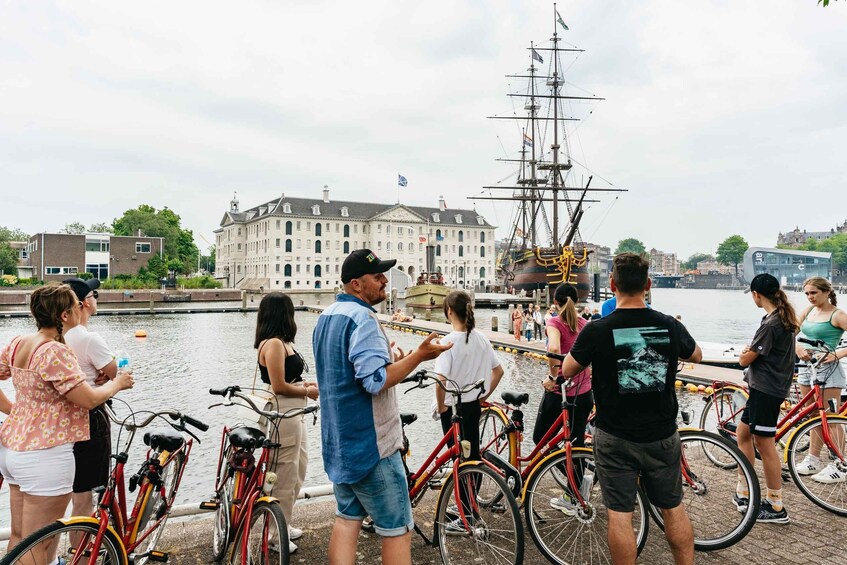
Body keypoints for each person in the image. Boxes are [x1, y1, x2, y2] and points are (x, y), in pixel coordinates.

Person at [560, 253, 702, 564]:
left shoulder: (597, 329)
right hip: (662, 433)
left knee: (620, 516)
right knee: (673, 508)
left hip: (615, 436)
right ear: (648, 285)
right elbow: (697, 355)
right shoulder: (667, 324)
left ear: (612, 285)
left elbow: (569, 369)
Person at [313, 249, 452, 565]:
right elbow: (374, 381)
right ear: (357, 285)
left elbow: (348, 373)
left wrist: (394, 361)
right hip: (373, 448)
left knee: (346, 520)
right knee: (396, 529)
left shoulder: (326, 317)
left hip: (339, 445)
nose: (385, 280)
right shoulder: (364, 319)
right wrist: (418, 356)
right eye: (377, 276)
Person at [0, 283, 134, 559]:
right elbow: (87, 400)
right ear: (63, 315)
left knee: (19, 537)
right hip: (45, 455)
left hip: (13, 449)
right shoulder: (54, 351)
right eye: (75, 306)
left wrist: (16, 411)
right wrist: (117, 384)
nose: (79, 310)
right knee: (41, 544)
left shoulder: (18, 343)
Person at [254, 292, 319, 554]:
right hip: (283, 411)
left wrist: (304, 385)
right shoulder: (273, 345)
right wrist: (306, 391)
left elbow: (288, 380)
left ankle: (284, 521)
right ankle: (273, 534)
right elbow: (279, 386)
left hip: (295, 412)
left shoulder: (282, 343)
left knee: (298, 468)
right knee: (283, 472)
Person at [434, 290, 504, 529]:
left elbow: (440, 379)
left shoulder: (447, 342)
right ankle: (468, 505)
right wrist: (484, 395)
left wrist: (442, 406)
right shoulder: (481, 338)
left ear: (449, 311)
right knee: (472, 456)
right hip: (473, 406)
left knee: (457, 460)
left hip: (454, 409)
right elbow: (499, 371)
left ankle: (466, 517)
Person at [736, 273, 798, 524]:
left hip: (767, 390)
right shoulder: (778, 318)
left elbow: (745, 359)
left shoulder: (772, 324)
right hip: (763, 387)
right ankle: (745, 489)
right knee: (742, 433)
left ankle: (775, 506)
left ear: (756, 295)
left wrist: (745, 353)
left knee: (765, 444)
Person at [62, 277, 118, 521]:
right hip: (90, 417)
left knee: (70, 493)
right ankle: (84, 555)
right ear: (84, 303)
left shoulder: (55, 337)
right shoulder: (88, 339)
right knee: (87, 496)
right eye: (94, 295)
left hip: (61, 420)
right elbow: (119, 373)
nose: (96, 300)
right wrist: (114, 376)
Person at [794, 276, 847, 482]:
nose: (810, 297)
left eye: (814, 293)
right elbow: (791, 332)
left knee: (831, 418)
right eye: (807, 293)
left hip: (828, 372)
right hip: (808, 369)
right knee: (813, 416)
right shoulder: (808, 311)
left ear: (826, 292)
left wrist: (837, 354)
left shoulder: (837, 315)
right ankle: (812, 459)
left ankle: (840, 463)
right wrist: (798, 347)